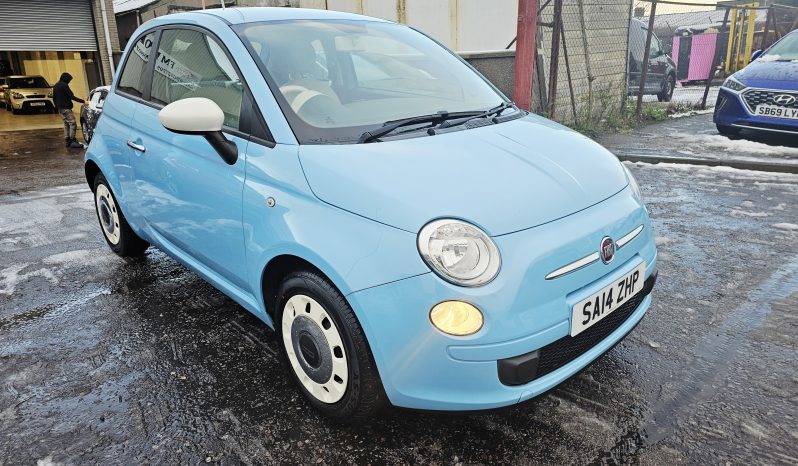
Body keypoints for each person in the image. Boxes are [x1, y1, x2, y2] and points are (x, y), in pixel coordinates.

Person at [52, 72, 89, 149]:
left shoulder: (56, 85)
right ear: (66, 79)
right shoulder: (64, 85)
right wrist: (83, 101)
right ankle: (72, 140)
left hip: (60, 108)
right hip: (66, 108)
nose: (69, 81)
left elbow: (54, 98)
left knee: (66, 123)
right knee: (73, 123)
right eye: (69, 80)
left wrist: (57, 107)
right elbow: (72, 96)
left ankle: (67, 139)